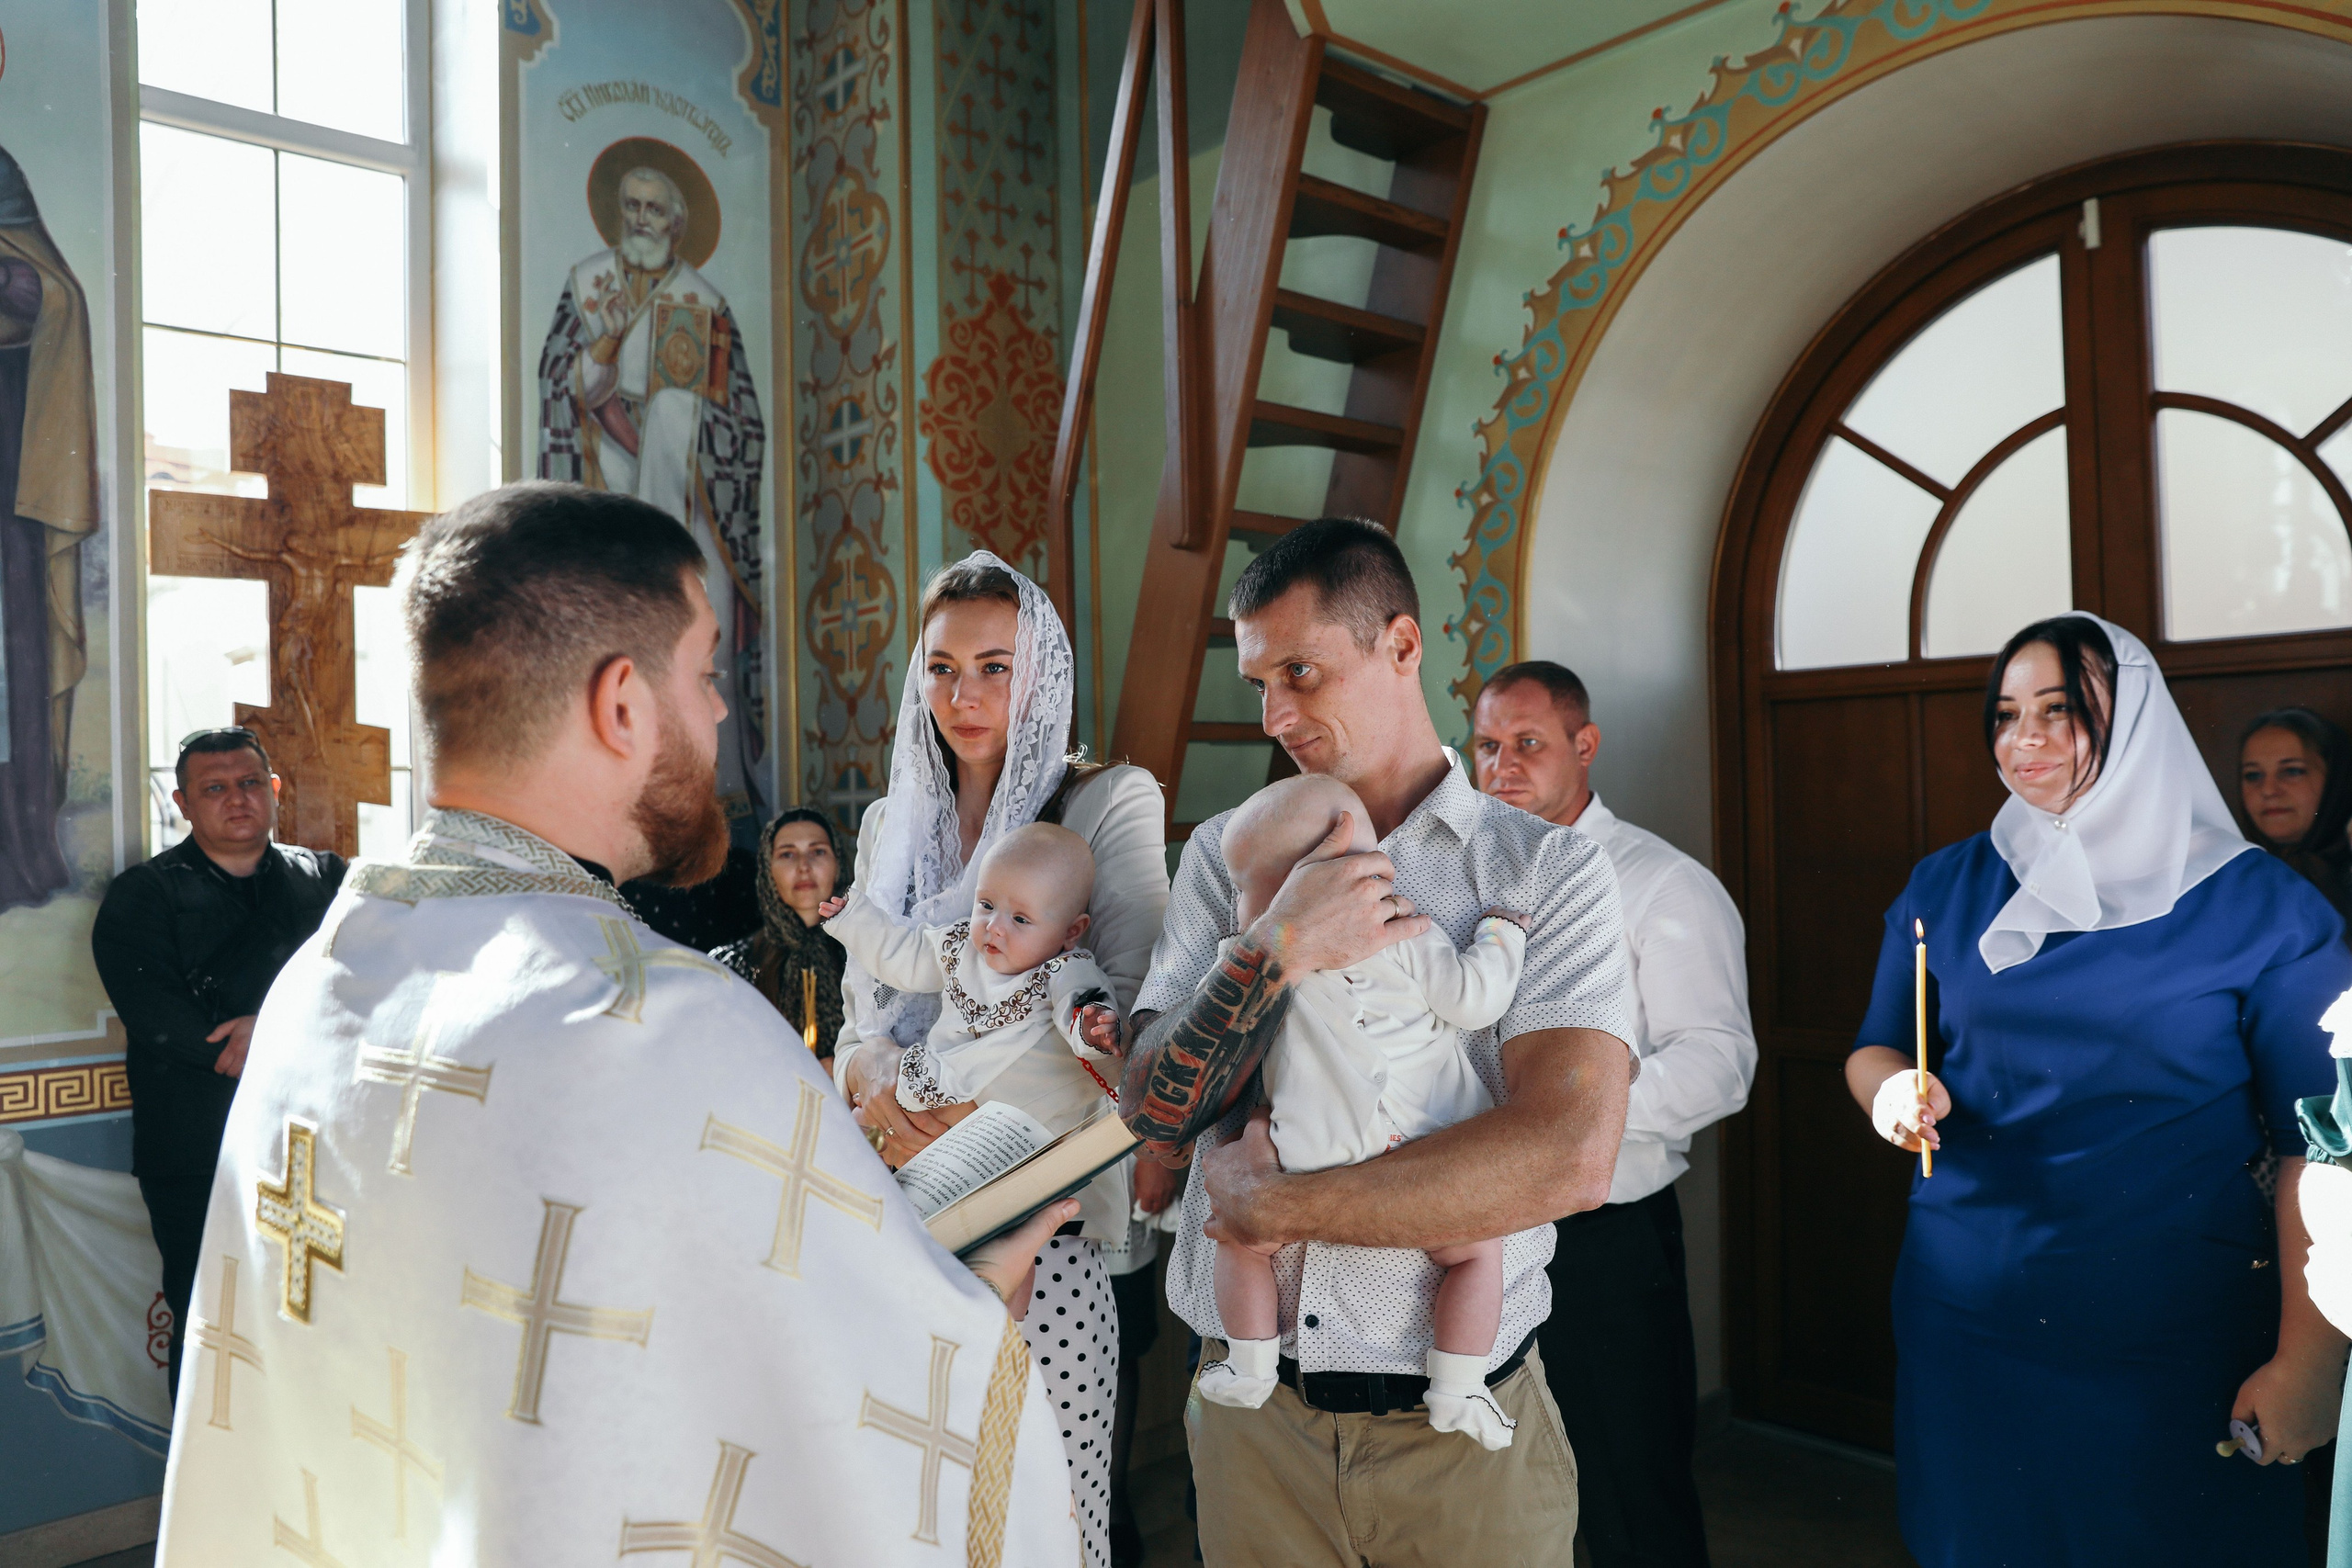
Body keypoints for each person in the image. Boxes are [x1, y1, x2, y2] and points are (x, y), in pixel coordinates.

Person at [150, 482, 1085, 1564]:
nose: (721, 714)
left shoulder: (324, 978)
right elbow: (860, 1428)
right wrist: (973, 1308)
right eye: (705, 675)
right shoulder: (662, 1023)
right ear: (622, 704)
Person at [1120, 517, 1634, 1568]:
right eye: (1259, 683)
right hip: (1253, 1429)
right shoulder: (1229, 855)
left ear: (1401, 646)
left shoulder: (1538, 873)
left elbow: (1566, 1157)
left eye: (1301, 674)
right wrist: (1272, 950)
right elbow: (1154, 1106)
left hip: (1457, 1442)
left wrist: (1282, 1208)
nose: (1275, 715)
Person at [1851, 613, 2351, 1567]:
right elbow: (1874, 1046)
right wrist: (1890, 1091)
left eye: (2061, 710)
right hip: (1968, 1311)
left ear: (2139, 725)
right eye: (2004, 713)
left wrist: (2309, 1361)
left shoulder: (2263, 907)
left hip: (2168, 1333)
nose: (2023, 739)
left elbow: (2320, 1149)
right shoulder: (1949, 883)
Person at [831, 550, 1170, 1568]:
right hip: (907, 1195)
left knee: (1058, 1505)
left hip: (1057, 1206)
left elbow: (1131, 1013)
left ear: (1045, 676)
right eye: (940, 669)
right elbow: (859, 1020)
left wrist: (971, 1116)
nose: (963, 695)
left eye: (994, 667)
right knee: (929, 1505)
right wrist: (875, 1084)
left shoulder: (1106, 801)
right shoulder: (892, 823)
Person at [1470, 659, 1754, 1567]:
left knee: (1631, 1499)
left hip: (1605, 1240)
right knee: (1495, 1495)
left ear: (1583, 747)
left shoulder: (1661, 884)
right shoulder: (1464, 881)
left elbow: (1718, 1064)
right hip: (1475, 1227)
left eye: (1527, 744)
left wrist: (1566, 1115)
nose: (1502, 766)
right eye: (1485, 746)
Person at [1199, 772, 1524, 1451]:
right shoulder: (1405, 932)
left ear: (1318, 877)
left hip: (1315, 1147)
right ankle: (1460, 1385)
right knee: (1474, 1256)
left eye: (1248, 886)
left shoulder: (1256, 962)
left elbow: (1222, 1039)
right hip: (1433, 1147)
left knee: (1240, 1237)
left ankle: (1250, 1361)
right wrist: (1502, 935)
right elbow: (1475, 999)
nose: (1239, 907)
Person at [90, 728, 345, 1398]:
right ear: (183, 802)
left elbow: (368, 983)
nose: (238, 798)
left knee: (317, 1317)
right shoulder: (142, 896)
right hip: (199, 1148)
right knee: (214, 1319)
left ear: (276, 791)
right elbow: (163, 1022)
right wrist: (278, 1032)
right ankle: (204, 1496)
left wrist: (274, 1025)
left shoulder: (329, 881)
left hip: (317, 1141)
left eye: (251, 783)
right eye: (215, 787)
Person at [820, 824, 1129, 1239]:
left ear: (1071, 931)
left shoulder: (1063, 970)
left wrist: (1091, 1028)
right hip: (939, 1077)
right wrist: (855, 920)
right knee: (864, 1130)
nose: (995, 927)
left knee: (987, 1212)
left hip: (998, 1113)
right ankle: (855, 1214)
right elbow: (904, 955)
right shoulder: (961, 947)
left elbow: (1080, 1002)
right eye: (986, 905)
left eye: (1020, 918)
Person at [713, 807, 850, 1054]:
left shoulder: (865, 958)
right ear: (768, 869)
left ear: (838, 865)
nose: (804, 866)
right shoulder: (731, 968)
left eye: (818, 851)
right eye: (788, 854)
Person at [2240, 706, 2352, 933]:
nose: (2268, 790)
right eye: (2253, 775)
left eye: (2292, 771)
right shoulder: (2233, 880)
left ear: (2336, 780)